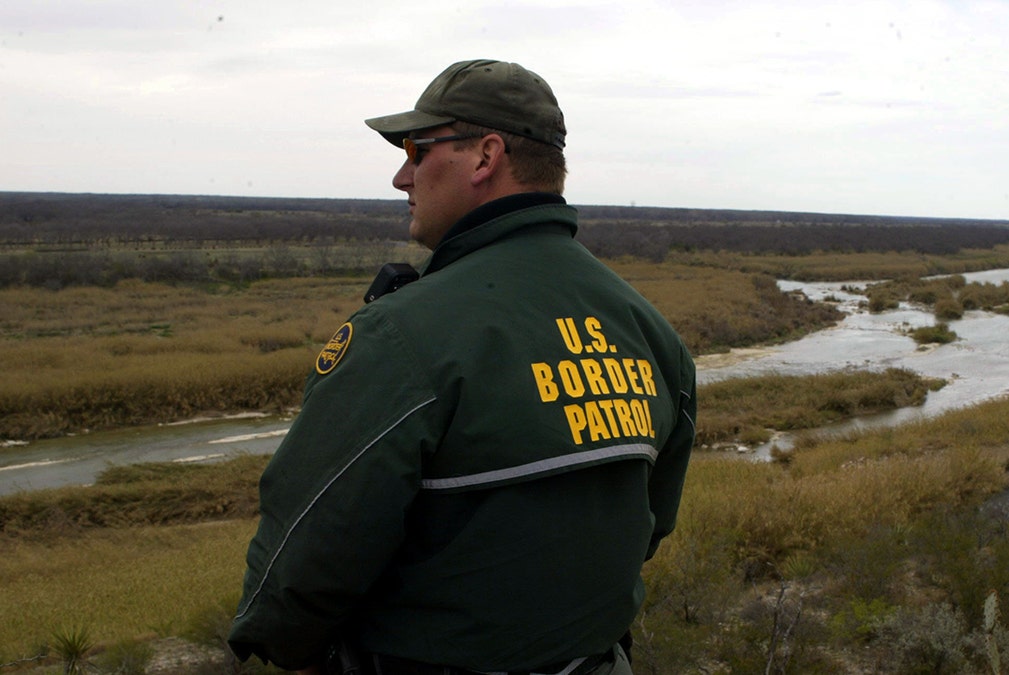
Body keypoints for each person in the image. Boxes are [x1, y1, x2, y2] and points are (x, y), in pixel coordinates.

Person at [227, 59, 696, 675]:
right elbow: (648, 527)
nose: (401, 176)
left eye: (417, 150)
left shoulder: (401, 336)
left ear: (485, 157)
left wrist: (288, 649)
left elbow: (304, 557)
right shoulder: (649, 330)